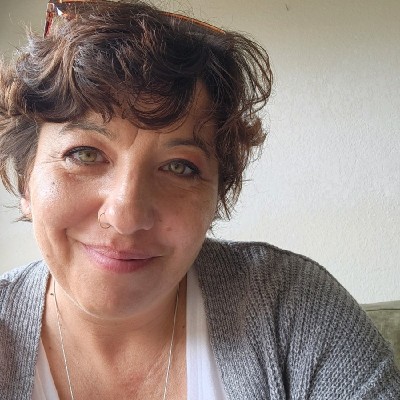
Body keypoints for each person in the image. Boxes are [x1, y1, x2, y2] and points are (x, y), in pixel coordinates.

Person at [0, 0, 399, 399]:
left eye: (179, 167)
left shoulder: (291, 307)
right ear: (25, 182)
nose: (126, 216)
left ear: (216, 196)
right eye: (85, 154)